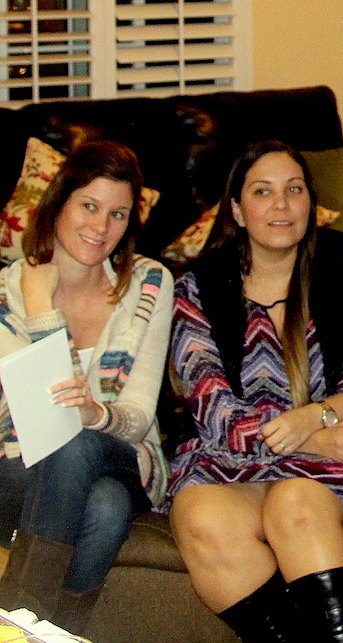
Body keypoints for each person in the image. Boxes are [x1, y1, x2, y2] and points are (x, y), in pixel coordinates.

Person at [166, 140, 343, 643]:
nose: (281, 204)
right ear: (237, 209)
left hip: (335, 458)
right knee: (202, 515)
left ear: (311, 204)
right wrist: (303, 434)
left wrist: (315, 419)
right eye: (263, 191)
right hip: (231, 456)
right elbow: (211, 406)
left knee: (294, 505)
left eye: (294, 190)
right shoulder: (197, 288)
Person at [0, 141, 173, 633]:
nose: (101, 228)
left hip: (122, 455)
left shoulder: (149, 284)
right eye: (89, 206)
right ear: (58, 202)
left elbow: (137, 414)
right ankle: (59, 629)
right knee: (104, 506)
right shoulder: (6, 294)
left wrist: (96, 415)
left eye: (118, 215)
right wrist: (38, 303)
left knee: (80, 445)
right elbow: (33, 415)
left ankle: (13, 625)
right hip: (19, 466)